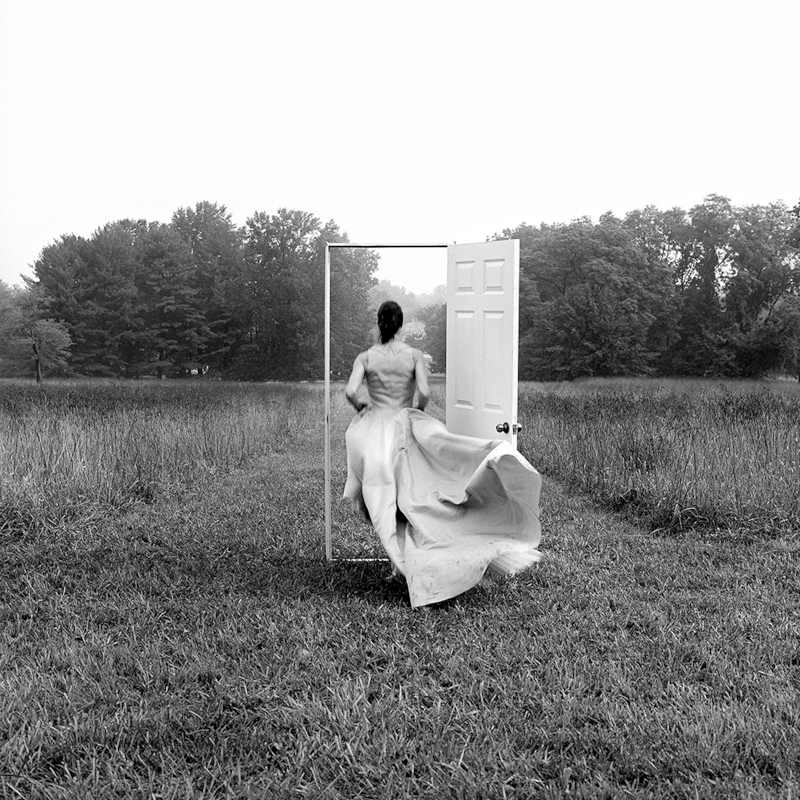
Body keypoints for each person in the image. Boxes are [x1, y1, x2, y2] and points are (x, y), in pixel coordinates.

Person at [344, 300, 542, 608]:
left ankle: (399, 561)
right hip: (403, 424)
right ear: (401, 324)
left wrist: (362, 407)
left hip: (375, 429)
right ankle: (412, 561)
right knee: (416, 493)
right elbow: (423, 392)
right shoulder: (413, 356)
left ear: (379, 323)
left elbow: (349, 391)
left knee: (378, 501)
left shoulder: (366, 357)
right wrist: (415, 417)